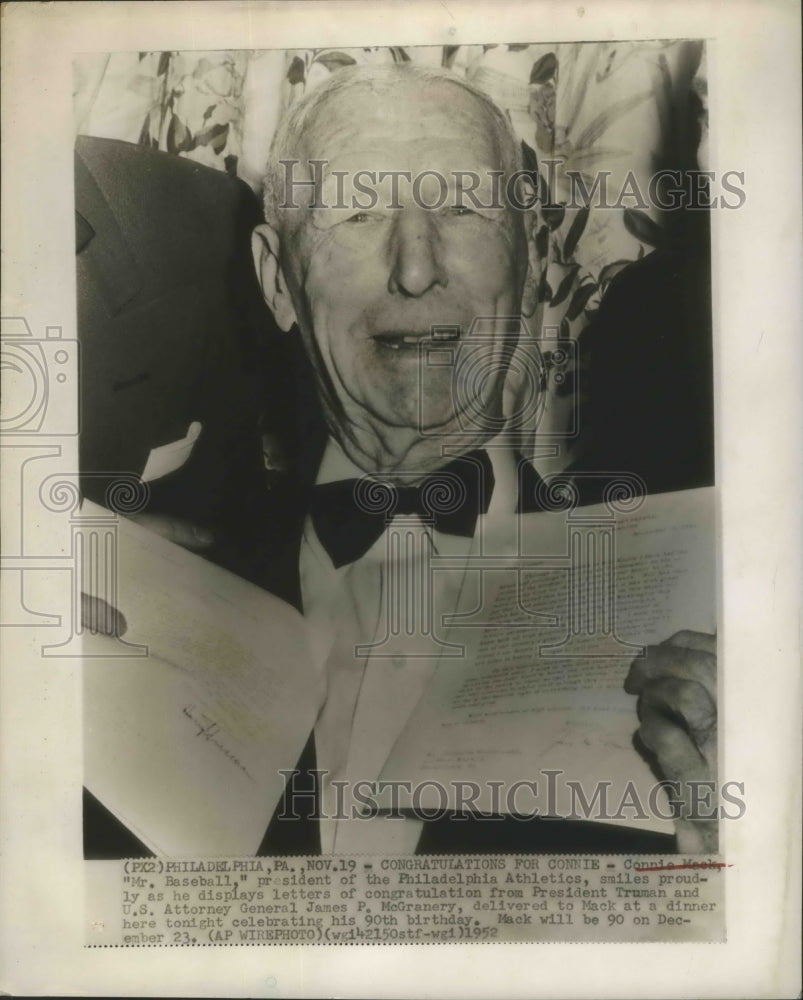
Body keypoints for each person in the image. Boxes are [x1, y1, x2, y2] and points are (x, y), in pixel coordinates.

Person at [84, 63, 717, 858]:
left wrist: (735, 869)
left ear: (527, 257)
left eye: (460, 206)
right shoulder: (119, 588)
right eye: (354, 212)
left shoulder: (682, 615)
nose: (415, 268)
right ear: (277, 281)